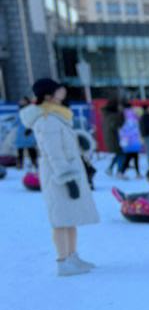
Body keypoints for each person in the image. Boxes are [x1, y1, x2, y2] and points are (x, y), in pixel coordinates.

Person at [19, 78, 100, 277]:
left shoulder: (57, 115)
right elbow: (54, 152)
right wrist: (66, 177)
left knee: (70, 216)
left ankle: (72, 256)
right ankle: (62, 261)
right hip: (58, 175)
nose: (63, 91)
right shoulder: (46, 119)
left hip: (68, 170)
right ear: (48, 95)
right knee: (60, 219)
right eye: (58, 89)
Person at [102, 98, 125, 178]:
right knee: (121, 154)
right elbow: (117, 125)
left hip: (111, 138)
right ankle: (119, 171)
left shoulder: (107, 114)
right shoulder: (113, 115)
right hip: (114, 139)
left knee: (119, 154)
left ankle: (110, 168)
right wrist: (121, 114)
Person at [118, 102, 142, 178]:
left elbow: (121, 130)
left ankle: (122, 172)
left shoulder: (122, 115)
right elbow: (138, 123)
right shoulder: (134, 114)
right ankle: (137, 173)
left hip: (127, 141)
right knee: (135, 157)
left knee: (128, 157)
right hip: (134, 140)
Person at [14, 96, 38, 169]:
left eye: (23, 100)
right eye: (20, 101)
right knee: (19, 149)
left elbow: (33, 119)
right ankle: (19, 164)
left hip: (29, 131)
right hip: (20, 133)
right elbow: (16, 121)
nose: (21, 102)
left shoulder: (31, 109)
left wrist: (30, 128)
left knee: (31, 148)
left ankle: (34, 163)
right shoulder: (19, 110)